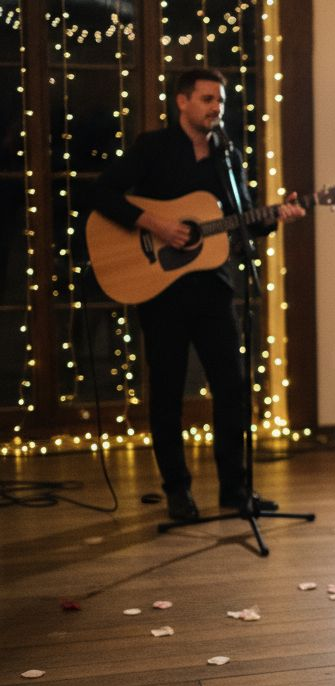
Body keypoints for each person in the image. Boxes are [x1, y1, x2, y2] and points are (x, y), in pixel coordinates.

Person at [92, 68, 305, 522]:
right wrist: (156, 225)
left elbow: (244, 218)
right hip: (161, 291)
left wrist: (277, 215)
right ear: (182, 102)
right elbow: (103, 192)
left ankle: (235, 489)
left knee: (232, 389)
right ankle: (177, 491)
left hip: (214, 288)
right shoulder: (152, 148)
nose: (215, 108)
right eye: (207, 99)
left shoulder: (227, 156)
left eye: (220, 102)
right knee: (167, 392)